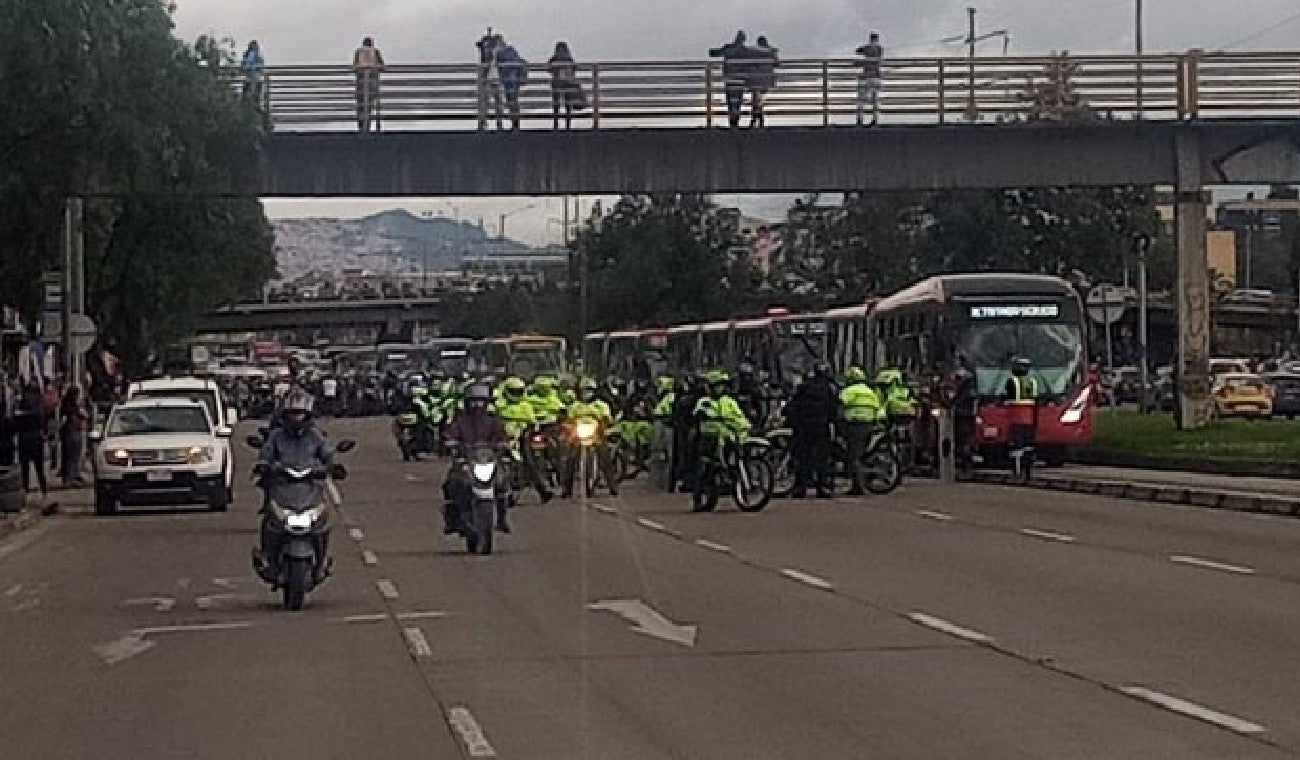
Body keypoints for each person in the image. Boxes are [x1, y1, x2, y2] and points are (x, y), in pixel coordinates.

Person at [254, 391, 335, 583]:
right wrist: (264, 466)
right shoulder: (276, 437)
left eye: (300, 414)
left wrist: (332, 466)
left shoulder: (315, 437)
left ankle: (321, 563)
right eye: (292, 414)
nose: (296, 418)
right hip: (283, 487)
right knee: (270, 521)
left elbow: (327, 453)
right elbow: (265, 455)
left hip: (309, 487)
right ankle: (267, 558)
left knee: (322, 523)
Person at [443, 384, 512, 534]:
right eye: (473, 401)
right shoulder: (460, 421)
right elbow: (450, 435)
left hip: (489, 460)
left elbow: (503, 436)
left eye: (481, 401)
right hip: (466, 461)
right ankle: (452, 520)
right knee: (452, 484)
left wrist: (504, 444)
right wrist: (451, 443)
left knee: (502, 483)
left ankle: (501, 519)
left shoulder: (494, 421)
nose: (477, 405)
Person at [691, 370, 752, 511]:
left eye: (721, 385)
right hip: (711, 437)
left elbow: (740, 416)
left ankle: (743, 486)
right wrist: (704, 415)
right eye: (716, 385)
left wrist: (745, 424)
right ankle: (698, 498)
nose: (719, 388)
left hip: (730, 435)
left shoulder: (729, 401)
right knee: (704, 467)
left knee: (742, 456)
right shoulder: (704, 401)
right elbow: (698, 412)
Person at [495, 376, 554, 502]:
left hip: (523, 436)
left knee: (530, 459)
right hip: (504, 437)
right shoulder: (499, 404)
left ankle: (543, 488)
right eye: (513, 391)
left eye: (518, 391)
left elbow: (533, 422)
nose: (516, 394)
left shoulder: (526, 405)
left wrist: (531, 428)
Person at [786, 363, 838, 498]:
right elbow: (833, 409)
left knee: (803, 457)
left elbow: (793, 405)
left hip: (804, 427)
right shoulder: (829, 388)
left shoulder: (804, 386)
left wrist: (794, 423)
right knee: (822, 458)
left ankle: (800, 487)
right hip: (821, 426)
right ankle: (822, 487)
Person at [561, 378, 618, 497]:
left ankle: (613, 486)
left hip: (596, 434)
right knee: (570, 458)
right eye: (584, 390)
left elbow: (607, 419)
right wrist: (568, 426)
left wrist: (604, 424)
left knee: (605, 457)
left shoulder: (601, 405)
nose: (587, 393)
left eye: (590, 390)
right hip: (578, 434)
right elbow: (569, 420)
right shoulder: (575, 406)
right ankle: (567, 489)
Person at [840, 366, 886, 496]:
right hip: (869, 424)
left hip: (854, 424)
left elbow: (840, 402)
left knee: (854, 456)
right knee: (862, 453)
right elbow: (878, 407)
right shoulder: (869, 391)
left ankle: (858, 486)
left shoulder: (849, 391)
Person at [13, 385, 48, 499]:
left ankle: (26, 490)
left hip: (24, 439)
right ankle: (44, 491)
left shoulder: (21, 408)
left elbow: (15, 425)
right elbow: (43, 423)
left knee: (25, 468)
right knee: (39, 468)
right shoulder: (39, 408)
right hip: (37, 439)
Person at [709, 31, 749, 128]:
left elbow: (714, 53)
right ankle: (736, 121)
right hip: (740, 79)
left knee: (730, 101)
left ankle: (732, 122)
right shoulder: (746, 51)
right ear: (743, 40)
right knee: (738, 100)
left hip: (729, 78)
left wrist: (713, 51)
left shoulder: (728, 48)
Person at [1003, 357, 1039, 462]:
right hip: (1029, 418)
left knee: (1016, 445)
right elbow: (1036, 399)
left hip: (1015, 417)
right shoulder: (1033, 382)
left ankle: (1017, 467)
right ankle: (1027, 466)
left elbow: (1005, 397)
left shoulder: (1011, 381)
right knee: (1028, 445)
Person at [548, 42, 584, 130]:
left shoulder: (554, 59)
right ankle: (568, 125)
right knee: (567, 105)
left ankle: (556, 125)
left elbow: (548, 68)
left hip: (556, 83)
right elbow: (575, 68)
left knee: (556, 105)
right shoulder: (569, 59)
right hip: (568, 83)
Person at [353, 37, 386, 133]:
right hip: (370, 83)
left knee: (362, 106)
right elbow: (383, 66)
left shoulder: (359, 52)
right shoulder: (375, 52)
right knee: (369, 106)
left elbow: (354, 67)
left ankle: (362, 127)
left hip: (362, 83)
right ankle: (367, 126)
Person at [57, 386, 88, 488]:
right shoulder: (69, 406)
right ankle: (69, 478)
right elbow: (68, 418)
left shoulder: (72, 405)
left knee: (73, 456)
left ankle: (72, 477)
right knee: (71, 456)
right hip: (70, 432)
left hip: (73, 432)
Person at [496, 37, 528, 130]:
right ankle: (515, 123)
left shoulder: (506, 52)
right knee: (512, 102)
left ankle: (515, 123)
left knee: (512, 102)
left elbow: (507, 66)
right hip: (511, 81)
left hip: (510, 80)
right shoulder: (509, 51)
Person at [476, 29, 505, 130]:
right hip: (490, 78)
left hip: (494, 78)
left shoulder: (499, 53)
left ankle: (496, 120)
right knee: (487, 100)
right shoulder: (488, 52)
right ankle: (486, 120)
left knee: (495, 101)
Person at [747, 36, 779, 128]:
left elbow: (750, 63)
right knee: (760, 100)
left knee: (756, 100)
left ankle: (755, 118)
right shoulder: (770, 51)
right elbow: (777, 64)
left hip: (755, 79)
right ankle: (759, 119)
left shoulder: (754, 52)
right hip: (766, 79)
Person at [855, 32, 884, 126]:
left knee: (861, 99)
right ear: (877, 39)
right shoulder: (880, 49)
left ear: (870, 39)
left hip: (866, 76)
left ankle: (860, 120)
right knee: (875, 99)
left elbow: (858, 51)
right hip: (876, 76)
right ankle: (875, 120)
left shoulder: (867, 47)